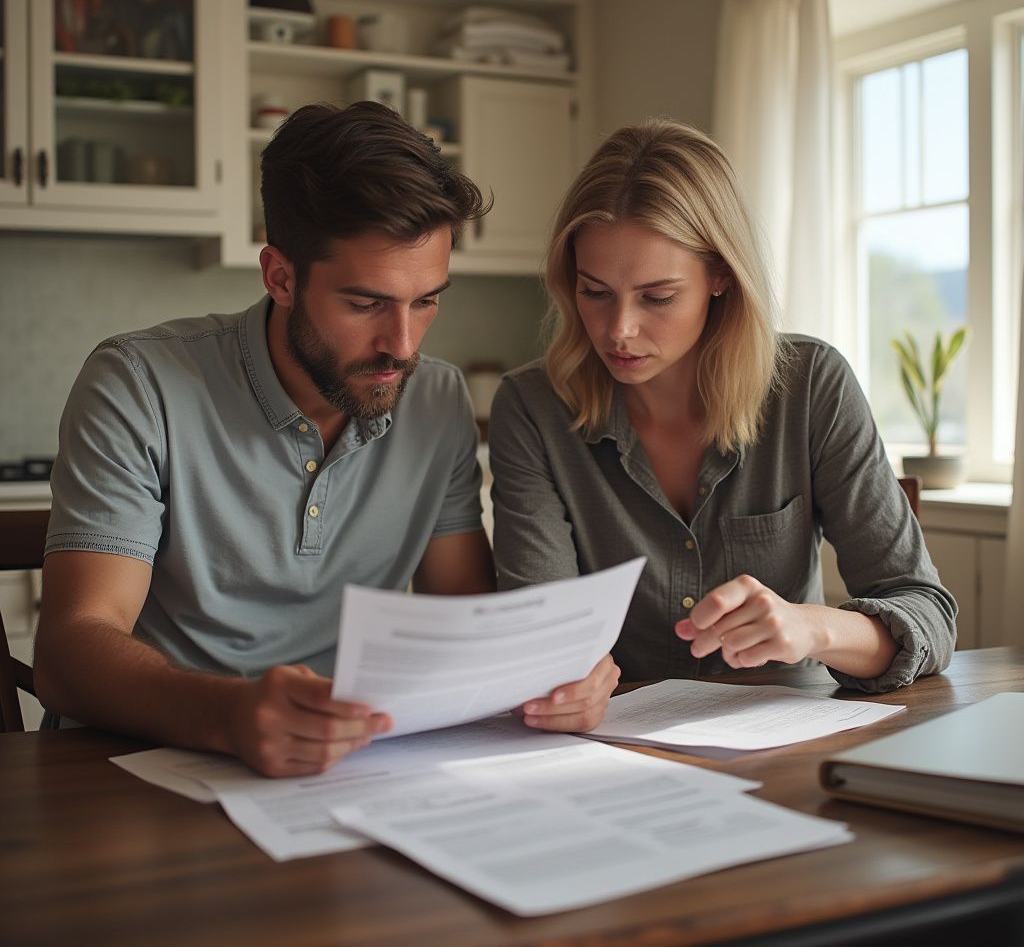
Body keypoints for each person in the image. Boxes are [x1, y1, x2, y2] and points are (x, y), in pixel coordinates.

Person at [33, 102, 607, 777]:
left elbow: (463, 620)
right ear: (279, 276)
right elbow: (72, 649)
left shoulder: (438, 398)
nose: (402, 345)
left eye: (426, 300)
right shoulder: (138, 384)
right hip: (140, 769)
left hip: (349, 769)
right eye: (366, 304)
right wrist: (231, 716)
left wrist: (551, 674)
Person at [489, 118, 957, 704]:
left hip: (784, 742)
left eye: (657, 297)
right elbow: (541, 630)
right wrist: (560, 679)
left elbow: (927, 614)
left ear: (720, 277)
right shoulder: (533, 408)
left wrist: (811, 626)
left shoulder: (811, 385)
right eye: (594, 291)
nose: (619, 330)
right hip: (612, 747)